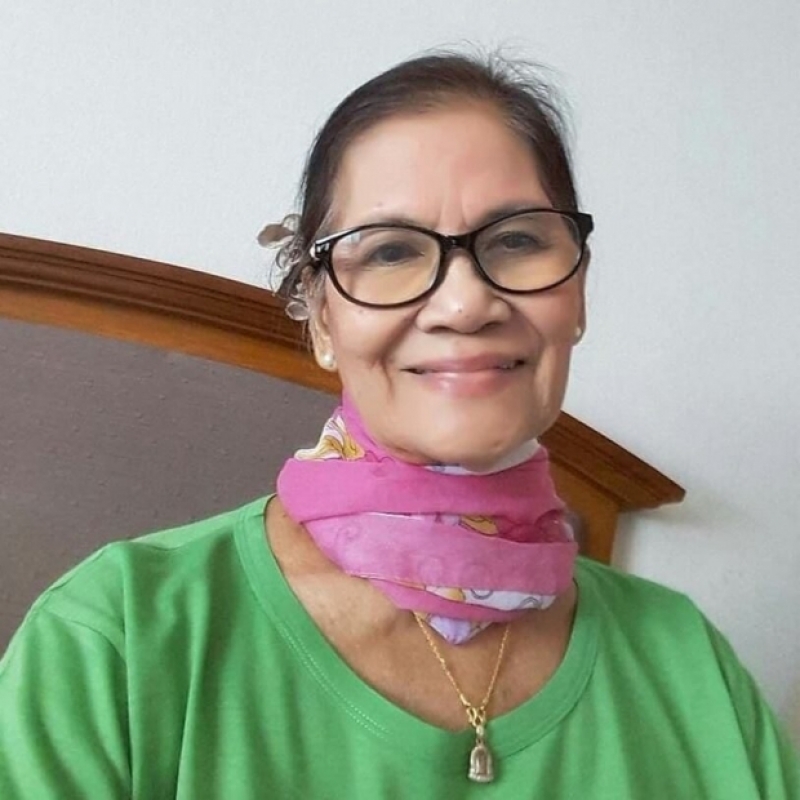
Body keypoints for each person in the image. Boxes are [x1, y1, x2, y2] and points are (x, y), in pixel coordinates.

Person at [0, 50, 797, 799]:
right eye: (389, 252)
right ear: (321, 318)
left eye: (518, 240)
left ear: (577, 295)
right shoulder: (117, 639)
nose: (465, 303)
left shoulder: (689, 663)